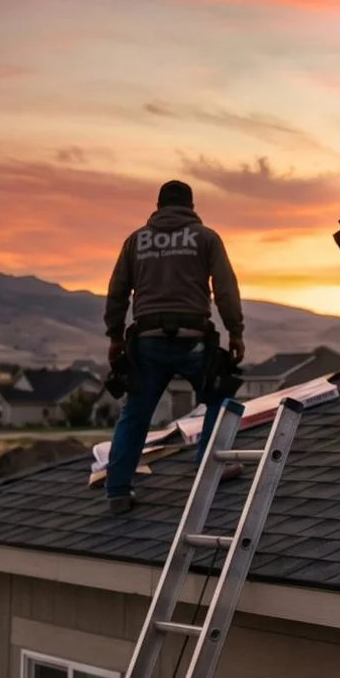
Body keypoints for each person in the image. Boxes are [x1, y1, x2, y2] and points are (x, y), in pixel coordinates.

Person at [101, 180, 245, 515]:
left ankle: (117, 491)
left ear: (158, 206)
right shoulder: (205, 237)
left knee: (135, 415)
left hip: (148, 341)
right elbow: (225, 289)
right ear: (191, 207)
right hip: (193, 338)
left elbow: (117, 292)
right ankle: (210, 468)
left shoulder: (136, 241)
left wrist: (115, 336)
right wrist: (236, 332)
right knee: (219, 401)